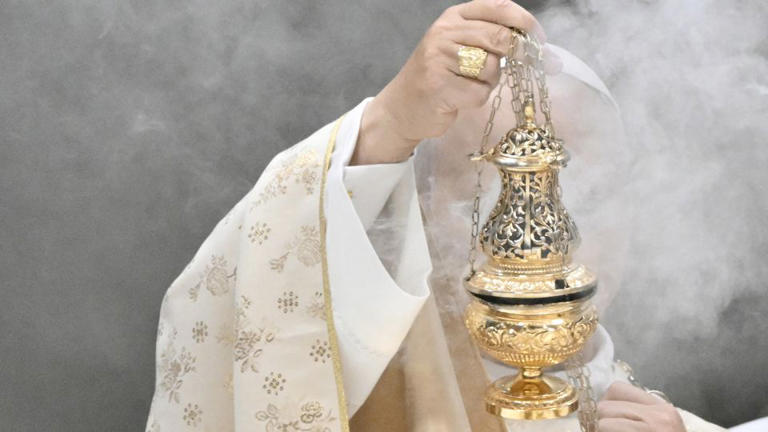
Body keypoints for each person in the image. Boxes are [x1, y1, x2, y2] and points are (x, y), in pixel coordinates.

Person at [144, 1, 724, 431]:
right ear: (421, 209)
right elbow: (230, 302)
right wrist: (390, 123)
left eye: (580, 185)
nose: (535, 232)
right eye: (489, 182)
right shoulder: (361, 383)